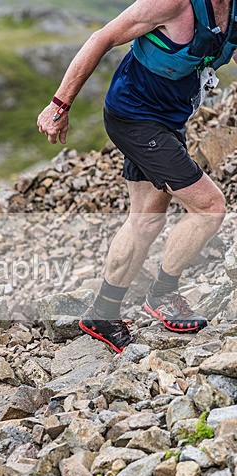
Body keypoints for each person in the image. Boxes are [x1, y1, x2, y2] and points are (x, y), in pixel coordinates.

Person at [37, 0, 234, 353]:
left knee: (146, 219)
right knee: (210, 207)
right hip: (134, 117)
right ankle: (163, 295)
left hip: (170, 120)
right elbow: (102, 37)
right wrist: (59, 105)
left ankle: (102, 312)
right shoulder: (173, 3)